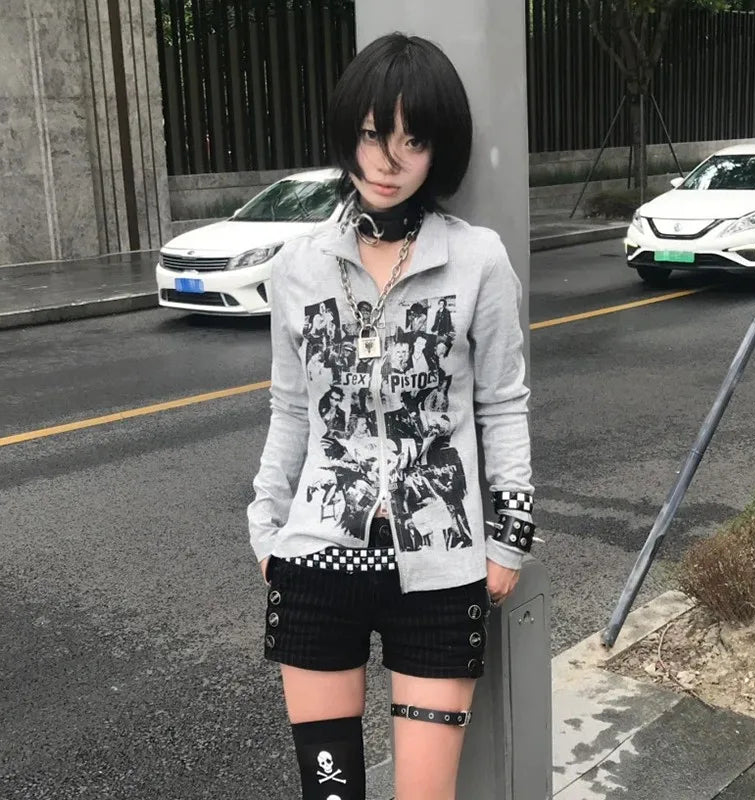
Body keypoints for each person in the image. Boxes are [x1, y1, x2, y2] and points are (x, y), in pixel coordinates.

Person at [248, 32, 536, 800]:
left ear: (440, 150)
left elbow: (503, 402)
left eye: (414, 140)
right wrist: (266, 527)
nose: (387, 160)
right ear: (350, 131)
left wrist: (509, 535)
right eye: (375, 134)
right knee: (330, 794)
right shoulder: (297, 267)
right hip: (317, 559)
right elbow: (291, 408)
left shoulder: (478, 260)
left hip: (439, 565)